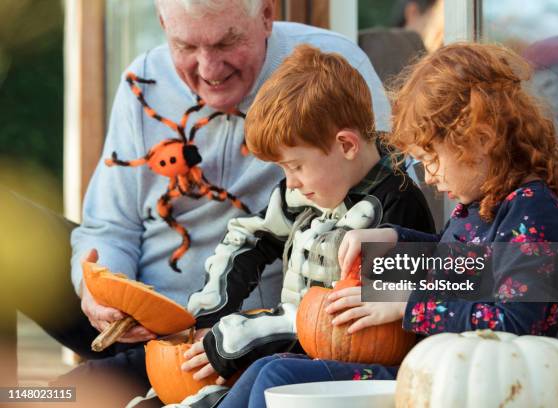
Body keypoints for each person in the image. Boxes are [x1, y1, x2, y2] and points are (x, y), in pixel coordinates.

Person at [2, 0, 392, 405]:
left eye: (227, 43)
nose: (209, 69)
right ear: (162, 25)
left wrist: (413, 288)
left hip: (229, 342)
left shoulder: (329, 73)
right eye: (186, 47)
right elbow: (109, 227)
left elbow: (388, 193)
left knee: (56, 396)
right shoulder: (144, 81)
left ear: (266, 16)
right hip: (132, 315)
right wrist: (102, 291)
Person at [218, 42, 558, 407]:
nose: (428, 173)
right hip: (437, 372)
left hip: (476, 388)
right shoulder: (484, 204)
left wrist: (406, 304)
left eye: (432, 158)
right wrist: (394, 237)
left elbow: (516, 324)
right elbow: (459, 269)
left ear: (480, 142)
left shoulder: (535, 211)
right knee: (267, 369)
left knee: (279, 377)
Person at [175, 44, 435, 406]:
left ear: (345, 145)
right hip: (294, 348)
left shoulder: (397, 206)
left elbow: (342, 319)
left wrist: (244, 336)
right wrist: (209, 312)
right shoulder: (315, 187)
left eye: (295, 166)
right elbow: (253, 237)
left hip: (364, 365)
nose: (290, 182)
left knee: (270, 372)